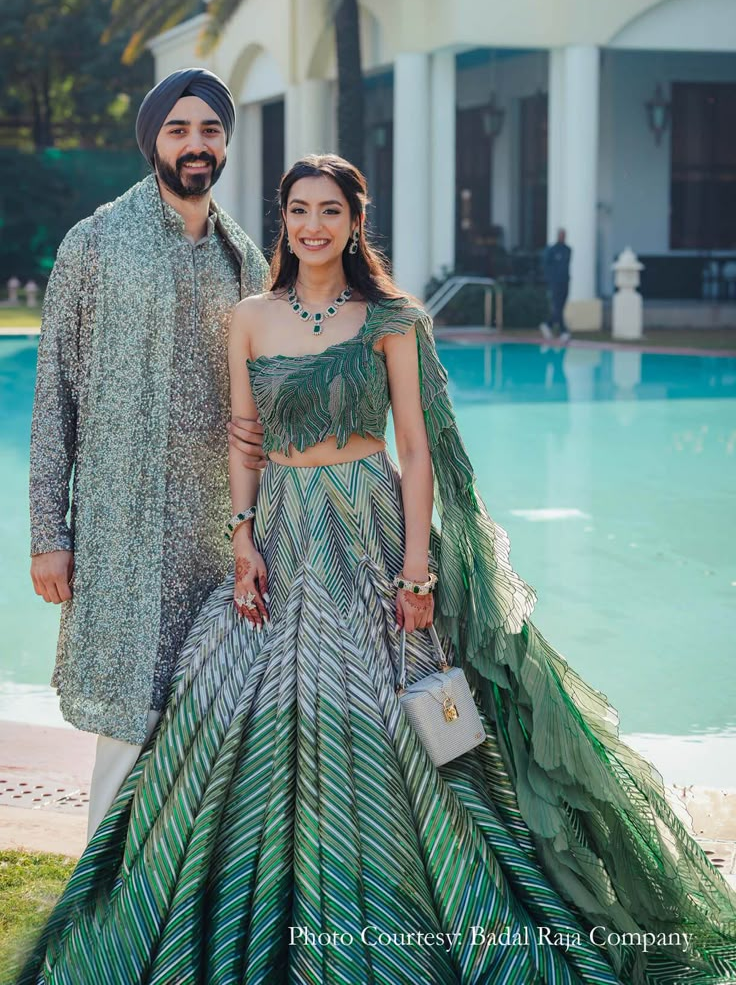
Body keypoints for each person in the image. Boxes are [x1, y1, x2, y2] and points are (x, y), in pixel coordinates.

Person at [18, 155, 736, 985]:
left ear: (357, 221)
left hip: (369, 529)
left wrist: (417, 566)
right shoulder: (249, 316)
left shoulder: (393, 317)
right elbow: (242, 438)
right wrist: (242, 534)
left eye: (330, 210)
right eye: (297, 210)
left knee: (410, 715)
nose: (312, 225)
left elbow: (418, 448)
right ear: (282, 219)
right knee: (222, 695)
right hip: (280, 535)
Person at [28, 68, 269, 841]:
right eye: (178, 129)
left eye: (209, 130)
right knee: (127, 724)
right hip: (120, 531)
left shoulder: (246, 261)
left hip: (214, 536)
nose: (195, 145)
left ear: (225, 142)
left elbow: (263, 405)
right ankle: (98, 915)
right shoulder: (95, 242)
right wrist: (49, 533)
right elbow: (53, 396)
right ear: (153, 142)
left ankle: (179, 908)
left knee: (208, 720)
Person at [540, 227, 572, 343]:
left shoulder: (568, 250)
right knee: (557, 306)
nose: (562, 237)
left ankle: (548, 325)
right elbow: (547, 266)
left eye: (564, 235)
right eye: (561, 235)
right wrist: (550, 279)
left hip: (565, 282)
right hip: (555, 283)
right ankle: (563, 331)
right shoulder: (552, 250)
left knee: (560, 306)